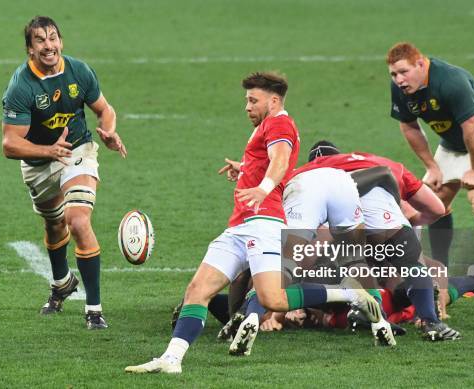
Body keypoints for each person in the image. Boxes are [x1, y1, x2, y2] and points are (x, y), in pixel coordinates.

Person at [125, 72, 380, 374]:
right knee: (198, 289)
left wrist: (263, 187)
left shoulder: (280, 123)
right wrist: (246, 169)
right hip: (240, 224)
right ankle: (171, 359)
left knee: (271, 297)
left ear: (273, 101)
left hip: (265, 222)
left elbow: (281, 159)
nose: (247, 106)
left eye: (252, 100)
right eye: (247, 100)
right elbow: (269, 161)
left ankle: (347, 293)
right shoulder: (266, 126)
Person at [1, 16, 126, 329]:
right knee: (54, 224)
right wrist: (48, 151)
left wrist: (109, 131)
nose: (49, 45)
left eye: (53, 38)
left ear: (61, 42)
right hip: (38, 162)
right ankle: (61, 283)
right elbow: (10, 144)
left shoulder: (78, 71)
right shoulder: (21, 85)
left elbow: (105, 109)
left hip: (77, 151)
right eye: (40, 41)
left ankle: (93, 309)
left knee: (78, 220)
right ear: (30, 49)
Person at [303, 140, 461, 341]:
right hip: (387, 216)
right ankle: (431, 322)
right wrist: (404, 215)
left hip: (348, 224)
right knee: (414, 267)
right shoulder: (383, 163)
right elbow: (438, 209)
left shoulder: (309, 172)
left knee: (341, 268)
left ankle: (374, 317)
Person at [386, 42, 474, 283]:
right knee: (434, 201)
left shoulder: (450, 81)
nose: (399, 79)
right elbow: (409, 126)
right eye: (394, 74)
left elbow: (473, 128)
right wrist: (431, 167)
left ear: (421, 64)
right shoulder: (401, 89)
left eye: (404, 72)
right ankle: (439, 271)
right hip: (453, 141)